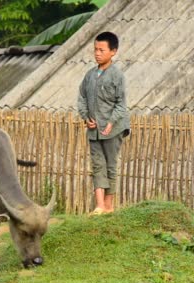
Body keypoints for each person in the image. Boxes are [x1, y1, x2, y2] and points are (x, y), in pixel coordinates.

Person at [77, 31, 129, 215]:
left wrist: (111, 122)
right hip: (94, 130)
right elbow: (82, 98)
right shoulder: (89, 75)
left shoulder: (117, 76)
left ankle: (109, 206)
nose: (97, 53)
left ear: (113, 51)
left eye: (101, 50)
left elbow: (121, 105)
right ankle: (99, 206)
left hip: (113, 129)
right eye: (95, 49)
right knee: (97, 165)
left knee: (111, 165)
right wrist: (86, 118)